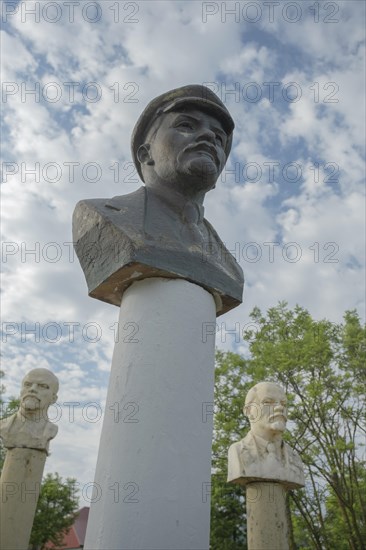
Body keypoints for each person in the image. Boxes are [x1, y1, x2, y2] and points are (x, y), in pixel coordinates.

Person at [73, 85, 244, 316]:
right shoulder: (100, 215)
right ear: (146, 153)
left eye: (219, 137)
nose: (209, 136)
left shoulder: (230, 267)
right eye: (186, 125)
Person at [227, 382, 304, 488]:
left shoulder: (295, 459)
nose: (280, 408)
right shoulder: (237, 451)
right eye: (268, 402)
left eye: (283, 404)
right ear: (249, 411)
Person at [0, 368, 59, 454]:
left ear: (53, 398)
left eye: (42, 386)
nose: (32, 389)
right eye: (27, 384)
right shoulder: (3, 426)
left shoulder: (50, 430)